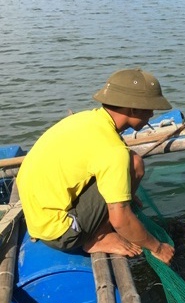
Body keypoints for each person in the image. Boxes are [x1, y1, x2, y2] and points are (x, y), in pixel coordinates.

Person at [16, 68, 175, 264]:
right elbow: (120, 219)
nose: (152, 114)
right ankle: (98, 237)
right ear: (133, 109)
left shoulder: (87, 119)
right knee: (131, 167)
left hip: (37, 214)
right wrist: (157, 248)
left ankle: (103, 220)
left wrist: (127, 193)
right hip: (60, 232)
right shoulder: (112, 150)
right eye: (150, 108)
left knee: (132, 161)